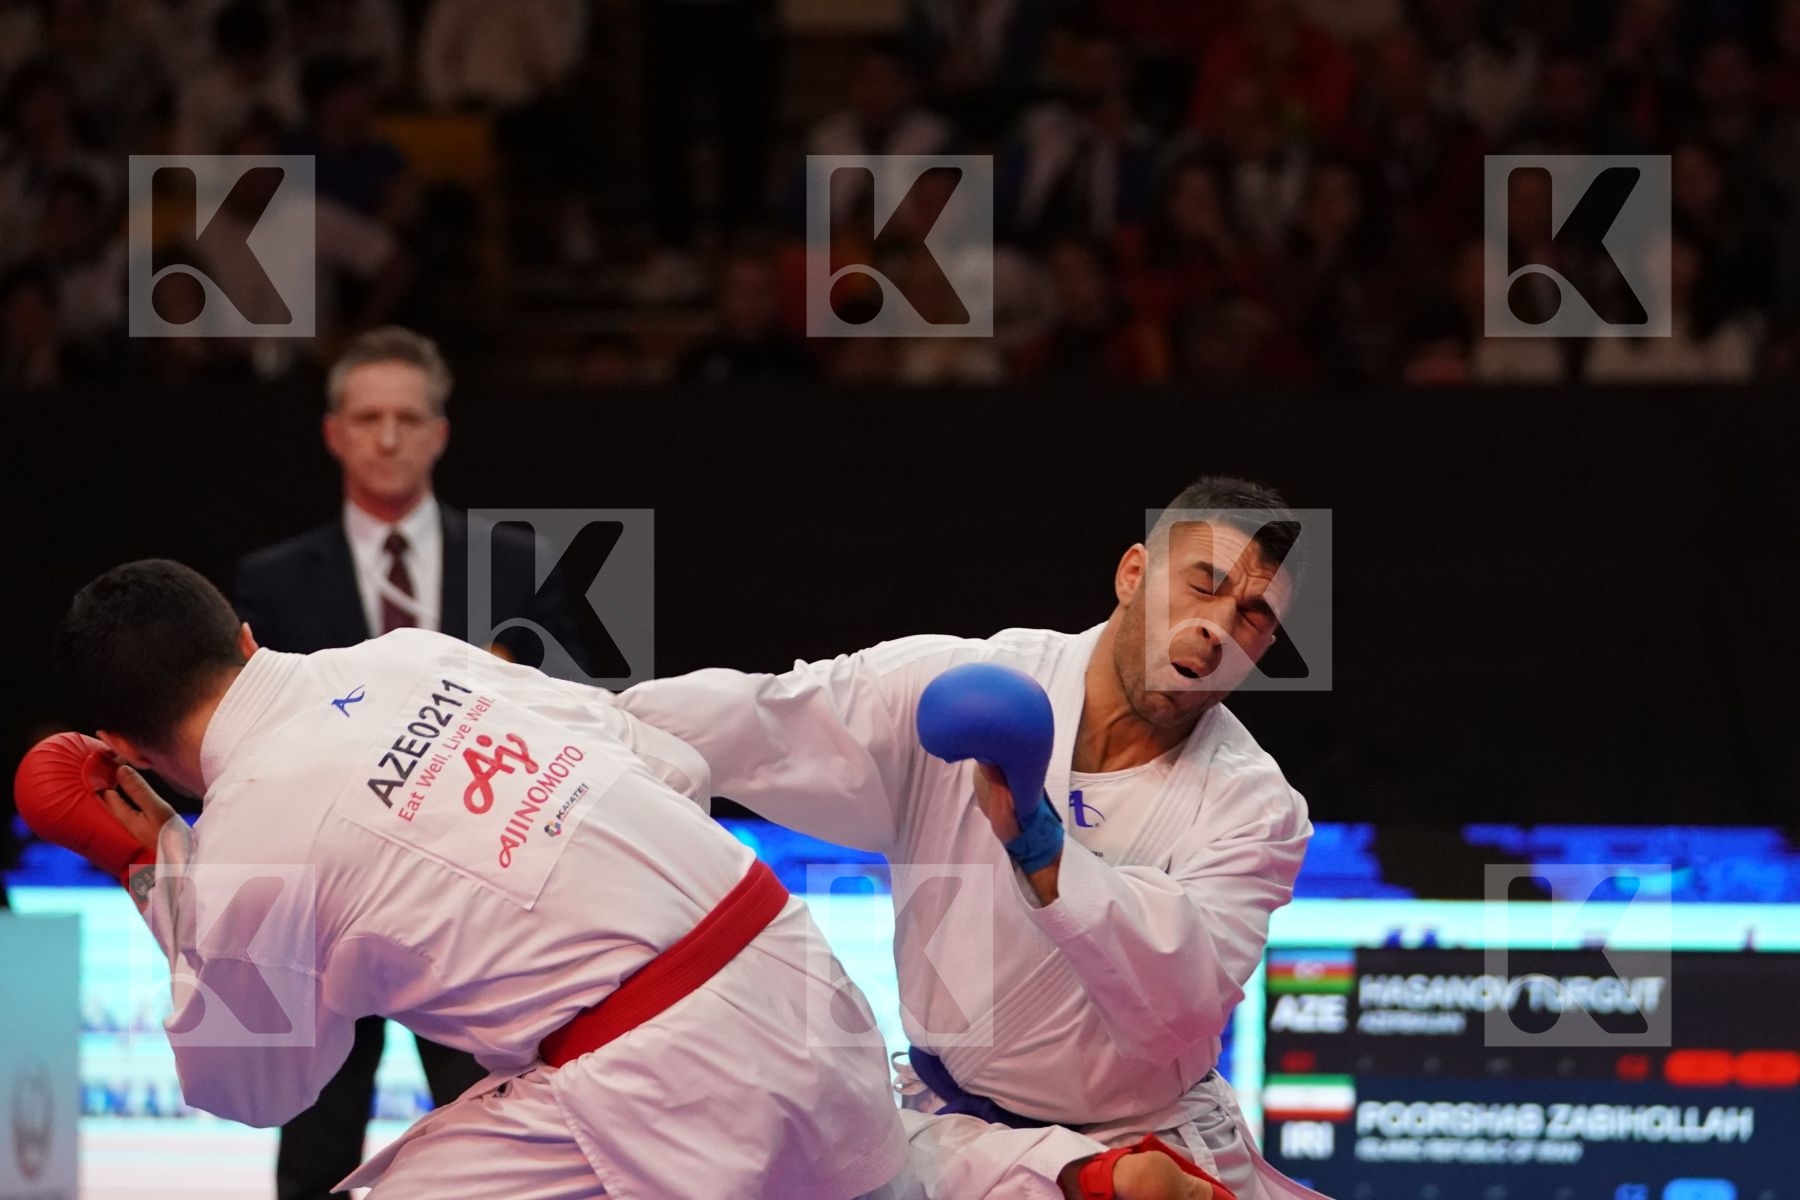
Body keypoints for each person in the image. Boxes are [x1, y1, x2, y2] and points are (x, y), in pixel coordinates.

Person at [25, 559, 907, 1199]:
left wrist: (157, 870)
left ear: (126, 751)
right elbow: (671, 765)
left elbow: (252, 1087)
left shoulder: (244, 845)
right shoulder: (410, 653)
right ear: (246, 639)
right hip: (810, 988)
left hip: (670, 1086)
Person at [618, 475, 1331, 1200]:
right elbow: (766, 723)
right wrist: (565, 718)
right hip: (952, 1139)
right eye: (1202, 585)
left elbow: (1181, 1005)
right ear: (1133, 574)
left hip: (1146, 1149)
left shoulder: (1255, 807)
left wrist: (1042, 847)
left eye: (1251, 615)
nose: (1216, 625)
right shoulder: (966, 680)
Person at [233, 325, 590, 1200]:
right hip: (323, 920)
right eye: (367, 417)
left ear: (439, 431)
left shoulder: (517, 566)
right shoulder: (269, 582)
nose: (387, 437)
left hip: (479, 908)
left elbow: (582, 724)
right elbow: (243, 747)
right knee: (317, 1157)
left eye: (407, 416)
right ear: (335, 433)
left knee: (503, 1151)